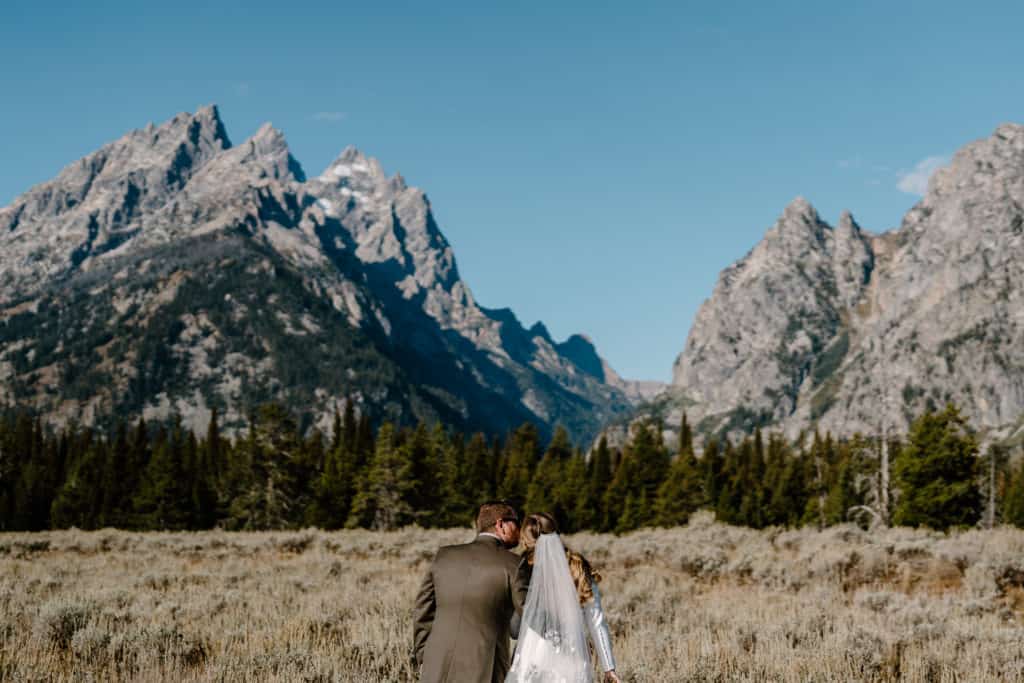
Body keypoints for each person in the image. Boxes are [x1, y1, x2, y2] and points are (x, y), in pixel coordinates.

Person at [413, 501, 529, 683]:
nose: (519, 529)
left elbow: (422, 611)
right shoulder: (514, 564)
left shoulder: (443, 556)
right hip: (486, 669)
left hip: (436, 667)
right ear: (501, 524)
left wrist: (423, 657)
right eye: (516, 522)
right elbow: (529, 617)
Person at [507, 513, 620, 683]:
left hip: (534, 658)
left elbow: (515, 625)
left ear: (525, 540)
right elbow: (596, 622)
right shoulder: (578, 568)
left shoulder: (524, 570)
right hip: (571, 659)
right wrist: (609, 668)